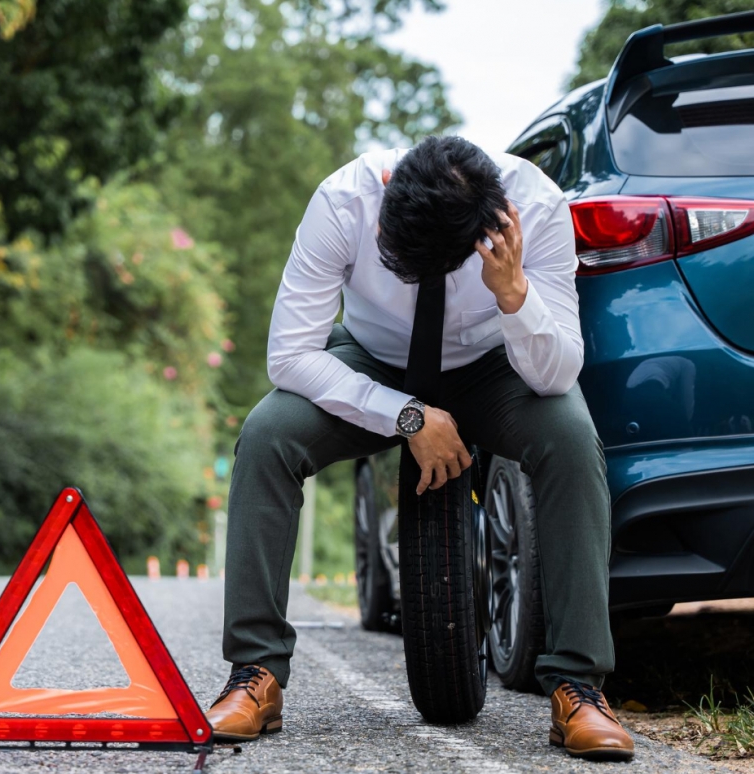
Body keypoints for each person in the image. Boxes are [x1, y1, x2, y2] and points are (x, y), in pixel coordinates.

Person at [204, 136, 634, 761]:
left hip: (497, 365)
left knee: (570, 437)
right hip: (376, 363)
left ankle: (579, 686)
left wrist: (514, 292)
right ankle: (255, 675)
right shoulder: (344, 201)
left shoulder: (536, 207)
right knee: (268, 436)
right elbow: (290, 356)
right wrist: (406, 415)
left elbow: (555, 376)